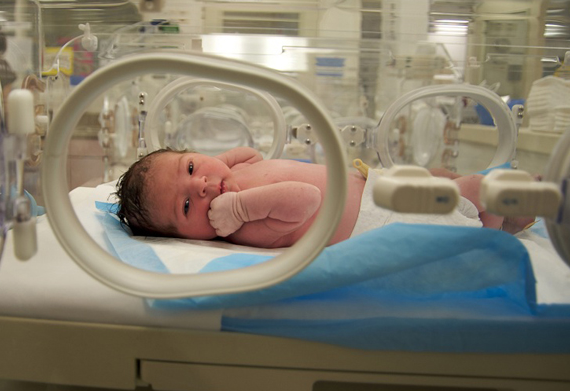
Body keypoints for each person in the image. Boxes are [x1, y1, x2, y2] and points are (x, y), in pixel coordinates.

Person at [113, 147, 532, 249]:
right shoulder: (239, 223)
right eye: (187, 206)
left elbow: (251, 155)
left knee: (440, 178)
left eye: (190, 167)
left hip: (374, 186)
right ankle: (505, 216)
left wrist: (218, 167)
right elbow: (307, 199)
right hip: (381, 216)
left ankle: (501, 221)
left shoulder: (226, 178)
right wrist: (237, 205)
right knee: (468, 191)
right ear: (188, 238)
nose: (201, 186)